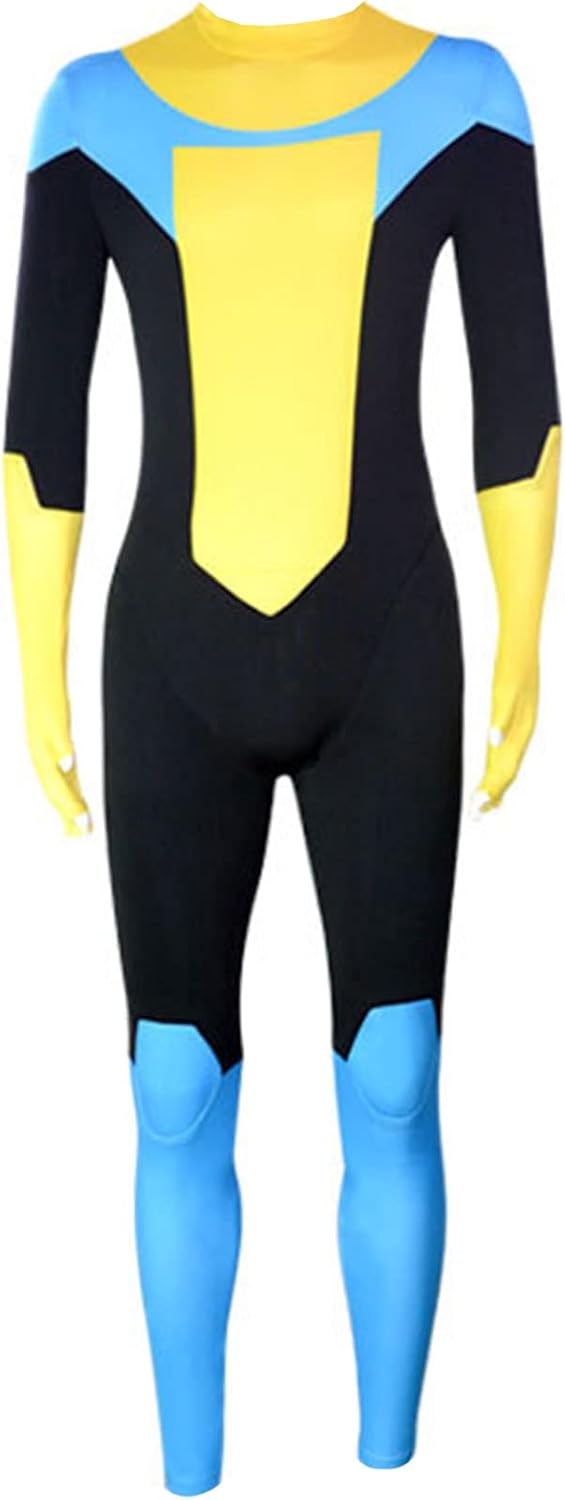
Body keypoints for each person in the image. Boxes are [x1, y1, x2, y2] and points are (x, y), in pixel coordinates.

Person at [3, 5, 560, 1494]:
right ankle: (188, 1471)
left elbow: (519, 401)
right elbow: (40, 423)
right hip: (169, 660)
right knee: (171, 1088)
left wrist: (523, 634)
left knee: (396, 1078)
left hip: (390, 649)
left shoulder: (466, 93)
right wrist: (35, 664)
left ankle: (389, 1466)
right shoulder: (88, 108)